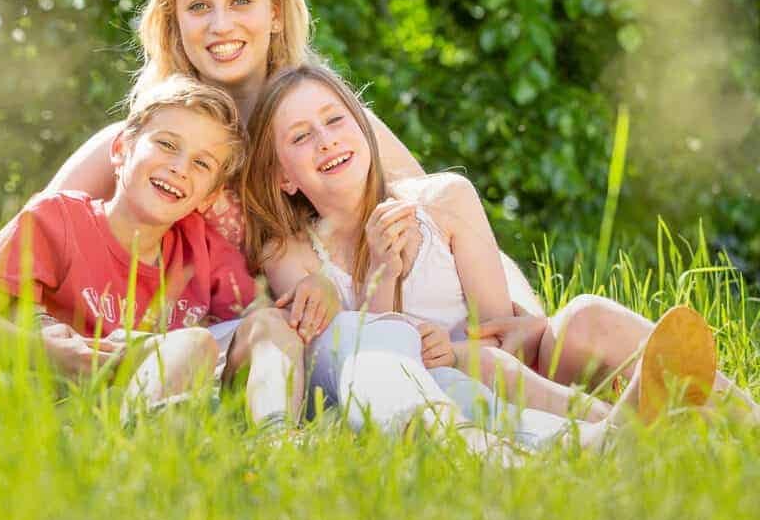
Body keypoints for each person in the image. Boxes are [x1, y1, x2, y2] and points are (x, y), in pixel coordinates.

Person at [0, 0, 436, 426]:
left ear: (275, 13)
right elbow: (18, 270)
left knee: (346, 344)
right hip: (135, 352)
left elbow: (432, 210)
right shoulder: (132, 144)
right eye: (197, 7)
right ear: (176, 25)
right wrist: (43, 348)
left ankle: (318, 428)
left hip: (283, 342)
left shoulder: (323, 119)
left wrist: (476, 321)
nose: (220, 25)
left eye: (240, 2)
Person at [241, 64, 733, 435]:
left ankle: (742, 418)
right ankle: (619, 428)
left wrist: (458, 349)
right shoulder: (289, 253)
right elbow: (368, 354)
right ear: (283, 176)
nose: (325, 141)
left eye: (335, 120)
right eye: (301, 136)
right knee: (481, 366)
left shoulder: (444, 200)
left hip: (500, 368)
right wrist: (386, 272)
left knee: (586, 315)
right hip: (431, 395)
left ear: (365, 130)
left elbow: (502, 334)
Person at [0, 76, 257, 413]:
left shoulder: (200, 249)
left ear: (209, 195)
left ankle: (139, 426)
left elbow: (252, 323)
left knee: (202, 343)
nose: (179, 167)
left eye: (201, 163)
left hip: (119, 388)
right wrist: (53, 355)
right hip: (33, 385)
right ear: (121, 150)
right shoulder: (58, 217)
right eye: (167, 144)